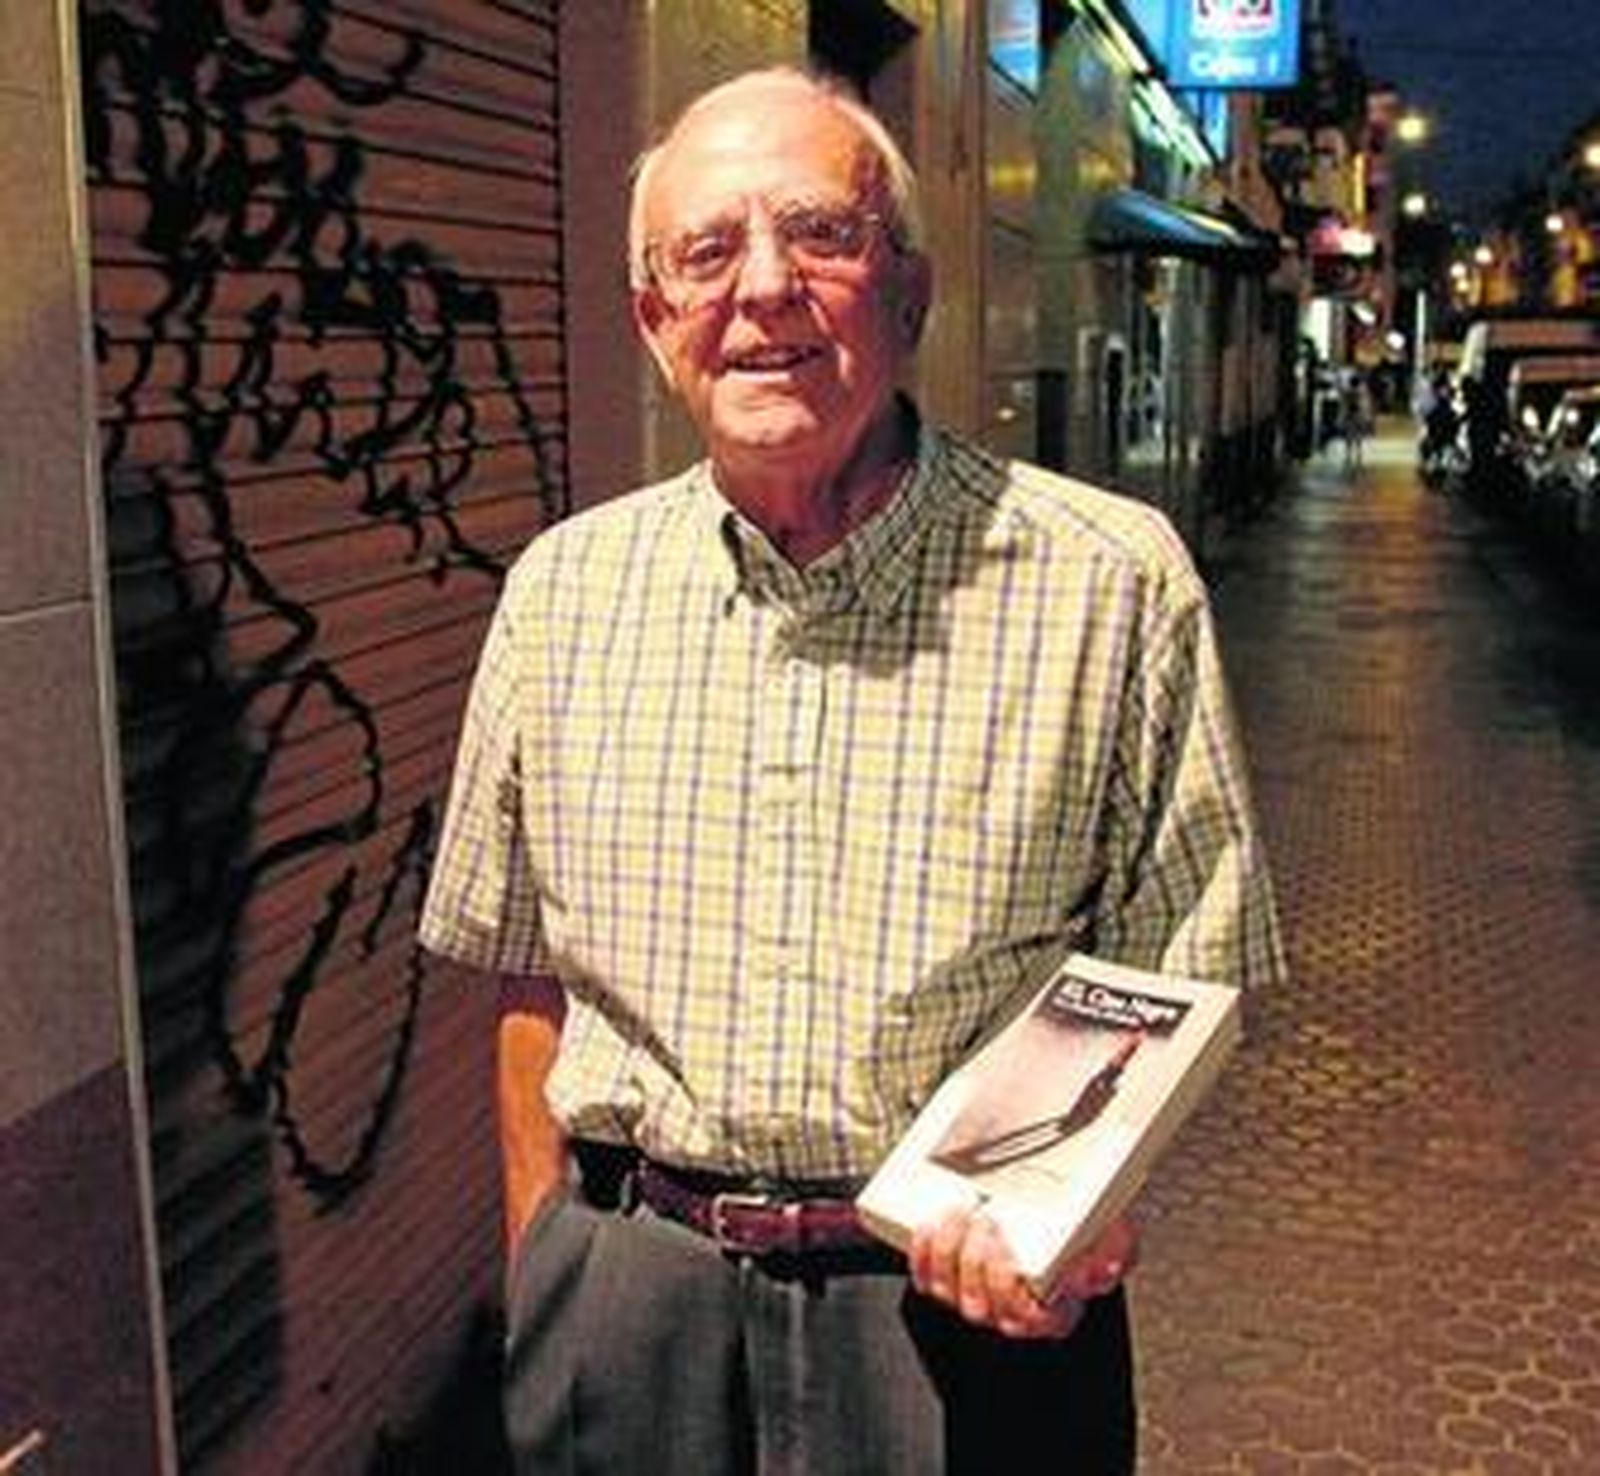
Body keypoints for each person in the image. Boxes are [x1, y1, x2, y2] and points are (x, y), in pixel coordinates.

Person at [420, 67, 1285, 1475]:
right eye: (706, 251)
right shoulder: (561, 594)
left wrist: (1081, 1209)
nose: (763, 288)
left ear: (911, 289)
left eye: (821, 233)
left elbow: (1183, 971)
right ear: (652, 320)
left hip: (959, 1316)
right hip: (630, 1305)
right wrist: (550, 1268)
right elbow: (526, 978)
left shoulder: (1109, 581)